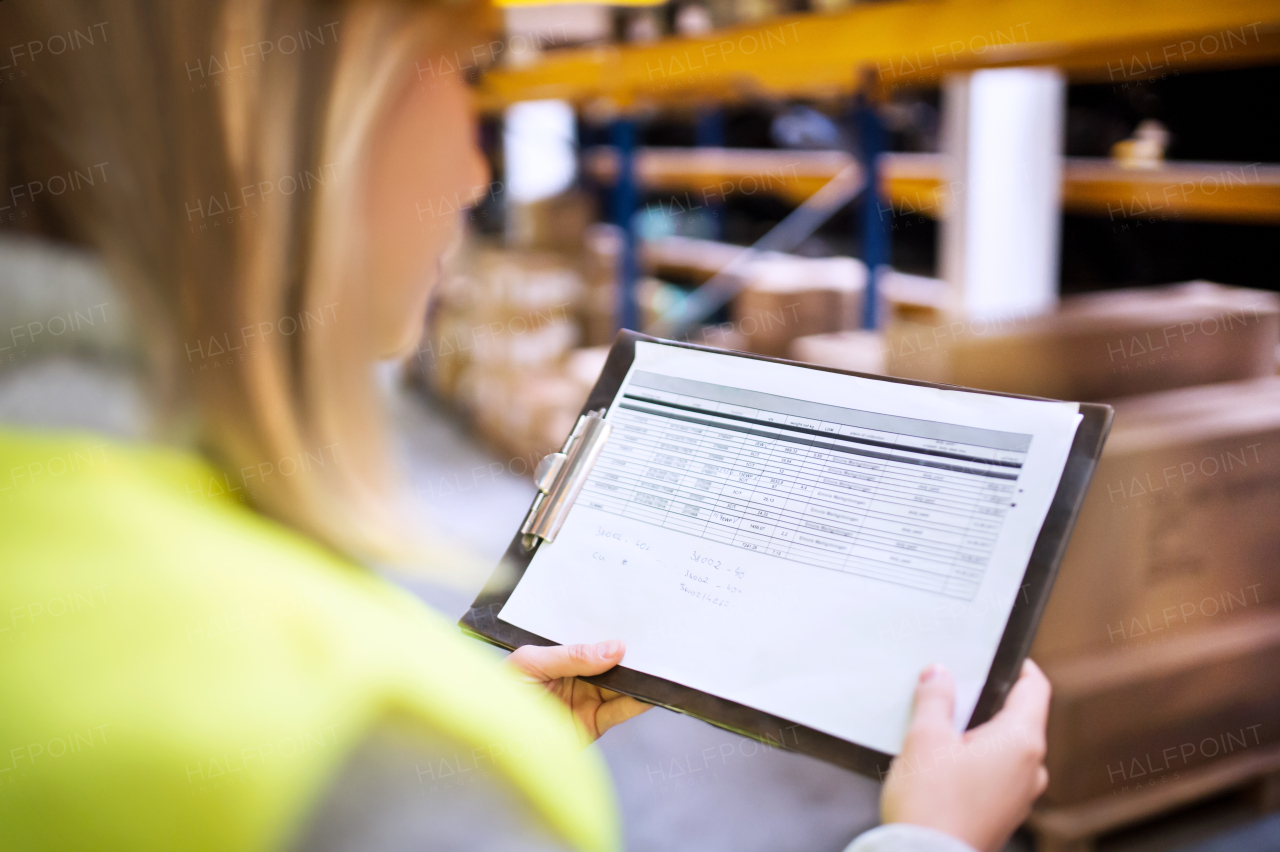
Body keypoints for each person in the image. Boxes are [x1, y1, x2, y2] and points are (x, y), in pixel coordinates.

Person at [0, 1, 1050, 850]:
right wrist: (931, 840)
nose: (476, 169)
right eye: (464, 72)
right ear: (286, 107)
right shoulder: (361, 745)